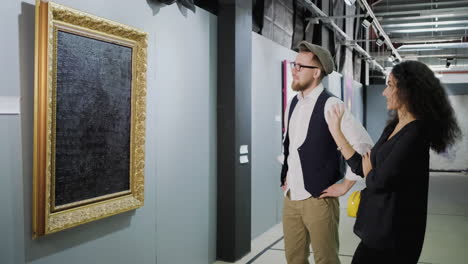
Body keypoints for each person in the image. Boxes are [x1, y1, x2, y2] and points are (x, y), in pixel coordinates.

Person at [326, 60, 461, 263]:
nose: (384, 92)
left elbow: (378, 181)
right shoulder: (393, 127)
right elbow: (362, 169)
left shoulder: (416, 133)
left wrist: (371, 169)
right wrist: (336, 131)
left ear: (408, 90)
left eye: (390, 85)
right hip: (378, 230)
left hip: (396, 237)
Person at [280, 41, 373, 264]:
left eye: (300, 66)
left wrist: (346, 185)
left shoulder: (331, 104)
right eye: (294, 64)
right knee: (294, 258)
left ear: (316, 72)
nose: (294, 69)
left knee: (326, 259)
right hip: (291, 196)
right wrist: (286, 175)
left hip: (319, 200)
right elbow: (291, 145)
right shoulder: (294, 102)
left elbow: (365, 146)